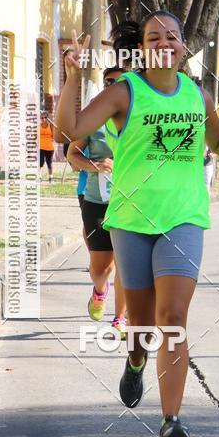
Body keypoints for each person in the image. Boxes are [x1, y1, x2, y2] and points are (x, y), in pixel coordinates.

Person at [56, 13, 219, 437]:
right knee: (141, 327)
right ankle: (135, 361)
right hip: (133, 223)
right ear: (144, 48)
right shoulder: (124, 92)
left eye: (172, 35)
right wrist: (73, 76)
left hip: (184, 218)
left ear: (184, 46)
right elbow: (69, 130)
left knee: (172, 320)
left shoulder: (197, 93)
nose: (165, 42)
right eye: (155, 36)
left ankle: (171, 421)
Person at [67, 67, 128, 338]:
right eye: (108, 82)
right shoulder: (95, 118)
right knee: (101, 268)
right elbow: (72, 154)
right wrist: (94, 165)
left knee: (126, 264)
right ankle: (99, 290)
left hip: (132, 201)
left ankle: (120, 318)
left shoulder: (140, 117)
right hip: (97, 199)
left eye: (119, 82)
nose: (113, 86)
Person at [39, 111, 55, 183]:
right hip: (41, 147)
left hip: (50, 147)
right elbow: (35, 136)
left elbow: (54, 135)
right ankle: (39, 177)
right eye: (42, 118)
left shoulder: (51, 126)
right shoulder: (39, 126)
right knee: (40, 162)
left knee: (49, 162)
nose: (43, 119)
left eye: (45, 117)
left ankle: (51, 177)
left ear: (48, 118)